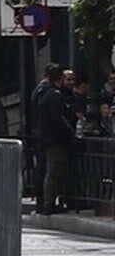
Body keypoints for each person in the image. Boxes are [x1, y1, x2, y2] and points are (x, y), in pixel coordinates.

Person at [33, 63, 74, 215]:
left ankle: (47, 202)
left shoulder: (44, 93)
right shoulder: (54, 95)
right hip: (55, 140)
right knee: (54, 171)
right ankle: (49, 203)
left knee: (51, 171)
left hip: (48, 139)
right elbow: (58, 118)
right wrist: (70, 131)